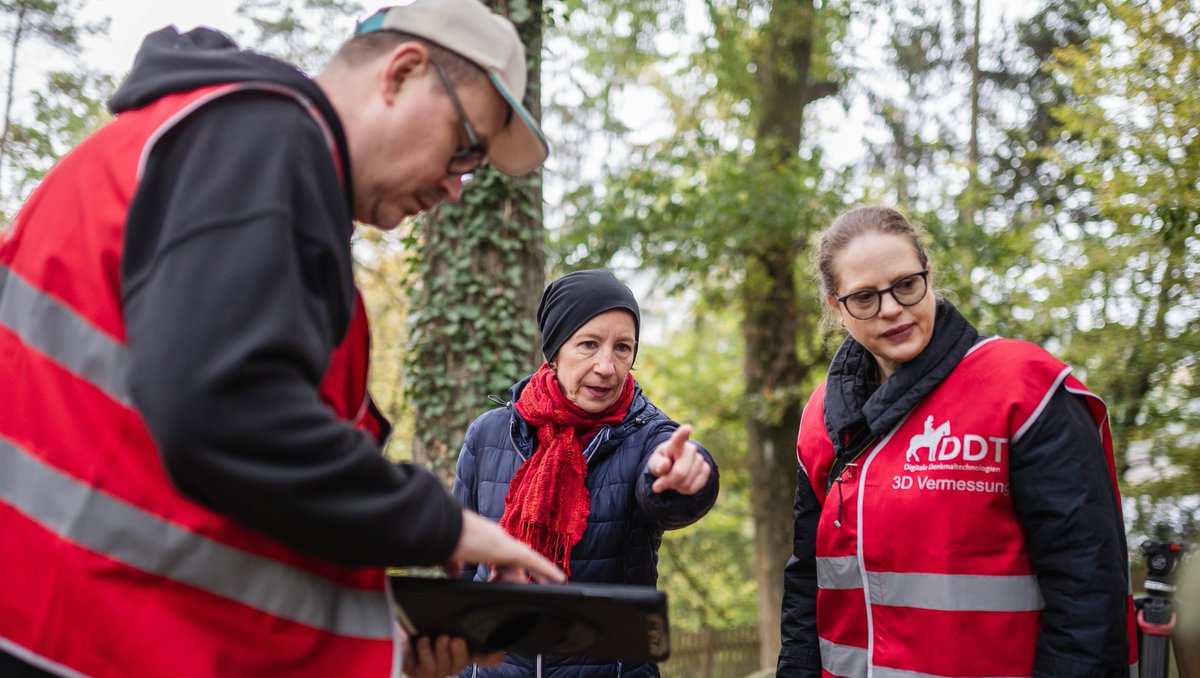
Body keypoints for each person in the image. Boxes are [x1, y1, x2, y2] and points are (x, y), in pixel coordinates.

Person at [0, 1, 569, 676]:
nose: (455, 187)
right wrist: (442, 524)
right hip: (75, 641)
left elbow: (241, 503)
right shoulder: (265, 137)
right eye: (464, 146)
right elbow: (227, 413)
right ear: (404, 72)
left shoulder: (242, 165)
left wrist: (386, 643)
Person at [776, 206, 1137, 678]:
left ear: (929, 274)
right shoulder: (819, 420)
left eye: (906, 285)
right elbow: (807, 585)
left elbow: (1088, 593)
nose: (891, 309)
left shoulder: (1023, 389)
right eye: (865, 298)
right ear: (835, 305)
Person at [452, 268, 720, 677]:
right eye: (589, 344)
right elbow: (465, 570)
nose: (607, 367)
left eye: (622, 348)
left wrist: (685, 478)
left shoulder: (647, 435)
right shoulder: (489, 434)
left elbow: (667, 485)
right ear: (555, 350)